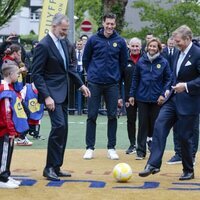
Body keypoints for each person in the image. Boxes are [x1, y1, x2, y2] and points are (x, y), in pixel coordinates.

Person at [31, 13, 90, 181]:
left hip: (63, 94)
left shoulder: (64, 43)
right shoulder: (43, 45)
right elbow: (37, 74)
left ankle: (56, 166)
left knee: (63, 129)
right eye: (63, 29)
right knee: (58, 127)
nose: (65, 33)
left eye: (66, 30)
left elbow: (69, 69)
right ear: (54, 26)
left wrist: (81, 85)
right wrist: (47, 96)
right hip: (52, 95)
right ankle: (49, 167)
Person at [138, 25, 200, 181]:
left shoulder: (197, 54)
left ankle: (188, 169)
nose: (175, 43)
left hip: (189, 102)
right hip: (172, 99)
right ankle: (153, 164)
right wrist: (167, 90)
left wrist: (186, 86)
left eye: (178, 41)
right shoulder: (177, 54)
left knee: (184, 137)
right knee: (159, 125)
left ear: (187, 39)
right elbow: (174, 77)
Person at [82, 13, 128, 160]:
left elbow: (123, 62)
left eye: (112, 24)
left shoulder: (120, 41)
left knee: (112, 116)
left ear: (115, 25)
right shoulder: (93, 40)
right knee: (92, 115)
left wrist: (116, 76)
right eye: (107, 23)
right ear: (103, 23)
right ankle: (89, 148)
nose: (109, 26)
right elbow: (86, 59)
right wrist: (92, 74)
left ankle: (111, 148)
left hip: (112, 84)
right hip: (94, 83)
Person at [129, 37, 171, 160]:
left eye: (155, 46)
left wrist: (163, 94)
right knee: (142, 125)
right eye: (150, 46)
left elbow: (168, 79)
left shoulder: (163, 62)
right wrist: (132, 94)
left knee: (156, 125)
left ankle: (154, 151)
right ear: (147, 47)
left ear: (158, 48)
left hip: (157, 100)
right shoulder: (141, 61)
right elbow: (135, 79)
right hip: (142, 98)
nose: (152, 48)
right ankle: (140, 152)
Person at [0, 61, 29, 188]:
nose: (18, 76)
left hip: (7, 128)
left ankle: (6, 173)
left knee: (8, 151)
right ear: (10, 74)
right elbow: (6, 112)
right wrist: (11, 129)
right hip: (4, 129)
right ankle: (2, 178)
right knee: (4, 152)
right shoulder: (5, 88)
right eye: (17, 74)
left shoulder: (10, 86)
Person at [123, 37, 142, 154]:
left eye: (137, 46)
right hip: (129, 97)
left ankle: (142, 144)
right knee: (131, 120)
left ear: (140, 47)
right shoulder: (124, 60)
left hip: (144, 96)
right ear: (129, 46)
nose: (135, 48)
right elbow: (120, 79)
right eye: (133, 46)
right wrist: (123, 97)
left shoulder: (145, 59)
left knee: (144, 121)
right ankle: (132, 144)